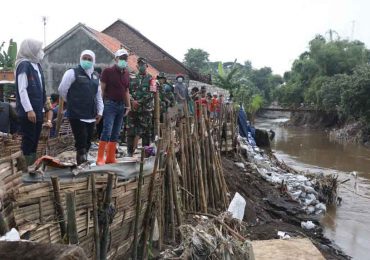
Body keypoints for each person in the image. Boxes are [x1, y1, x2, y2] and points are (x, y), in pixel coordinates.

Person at [58, 50, 103, 165]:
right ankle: (81, 163)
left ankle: (84, 162)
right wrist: (72, 102)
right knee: (81, 140)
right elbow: (62, 90)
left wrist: (100, 111)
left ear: (93, 61)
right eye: (85, 58)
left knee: (88, 140)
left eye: (89, 59)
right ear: (80, 58)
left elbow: (98, 95)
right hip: (76, 114)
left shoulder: (95, 76)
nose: (87, 61)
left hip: (91, 114)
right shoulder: (72, 73)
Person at [15, 39, 50, 166]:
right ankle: (24, 169)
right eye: (39, 49)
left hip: (38, 110)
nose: (41, 52)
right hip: (28, 112)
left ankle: (32, 166)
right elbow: (22, 89)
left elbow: (42, 89)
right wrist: (29, 109)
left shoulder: (37, 65)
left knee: (35, 140)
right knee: (28, 140)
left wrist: (45, 108)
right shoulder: (23, 65)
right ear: (31, 50)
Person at [96, 49, 131, 165]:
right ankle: (100, 157)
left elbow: (126, 90)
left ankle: (111, 157)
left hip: (121, 106)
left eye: (125, 58)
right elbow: (101, 90)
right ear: (116, 59)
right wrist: (99, 106)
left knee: (116, 132)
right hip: (110, 104)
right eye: (121, 58)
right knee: (107, 130)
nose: (123, 60)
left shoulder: (126, 73)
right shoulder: (108, 71)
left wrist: (128, 106)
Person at [127, 57, 154, 156]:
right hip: (133, 109)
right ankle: (129, 152)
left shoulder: (152, 79)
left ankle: (145, 154)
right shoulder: (132, 77)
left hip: (145, 110)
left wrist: (140, 102)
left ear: (146, 66)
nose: (142, 66)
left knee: (146, 132)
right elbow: (127, 91)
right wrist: (132, 101)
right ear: (137, 66)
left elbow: (152, 93)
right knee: (130, 131)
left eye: (143, 64)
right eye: (140, 64)